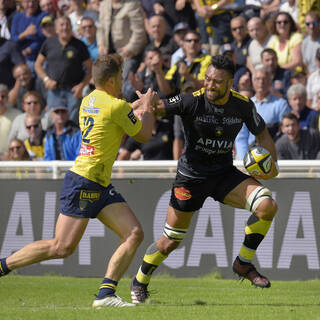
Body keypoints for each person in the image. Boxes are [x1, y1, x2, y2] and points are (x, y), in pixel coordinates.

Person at [0, 53, 156, 308]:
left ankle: (106, 294)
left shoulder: (89, 100)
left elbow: (118, 114)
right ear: (112, 79)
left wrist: (139, 107)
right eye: (120, 77)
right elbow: (146, 133)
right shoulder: (116, 106)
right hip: (86, 182)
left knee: (134, 233)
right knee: (60, 247)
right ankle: (2, 266)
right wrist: (148, 106)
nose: (122, 81)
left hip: (95, 181)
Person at [130, 55, 279, 304]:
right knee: (169, 242)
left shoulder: (243, 105)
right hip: (191, 178)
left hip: (223, 174)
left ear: (230, 83)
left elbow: (261, 132)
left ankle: (243, 263)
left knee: (267, 206)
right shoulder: (191, 100)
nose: (210, 85)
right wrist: (146, 104)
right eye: (208, 79)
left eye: (217, 81)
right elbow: (158, 107)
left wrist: (272, 165)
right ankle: (140, 280)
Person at [35, 16, 92, 124]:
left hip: (73, 92)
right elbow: (38, 64)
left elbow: (91, 69)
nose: (65, 27)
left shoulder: (80, 45)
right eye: (62, 25)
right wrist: (46, 79)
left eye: (67, 24)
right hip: (54, 92)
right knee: (55, 124)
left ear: (71, 27)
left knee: (74, 124)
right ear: (56, 29)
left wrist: (81, 86)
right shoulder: (49, 43)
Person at [235, 65, 291, 160]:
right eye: (257, 79)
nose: (261, 82)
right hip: (250, 156)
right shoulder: (247, 105)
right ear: (253, 82)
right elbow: (241, 136)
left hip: (273, 156)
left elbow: (286, 133)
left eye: (264, 79)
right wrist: (244, 160)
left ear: (270, 82)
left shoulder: (281, 104)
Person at [156, 30, 212, 96]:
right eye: (189, 41)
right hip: (180, 102)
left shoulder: (208, 59)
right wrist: (158, 70)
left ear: (200, 44)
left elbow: (207, 87)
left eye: (196, 41)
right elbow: (167, 91)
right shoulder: (178, 63)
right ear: (184, 44)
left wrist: (187, 76)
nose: (192, 43)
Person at [10, 0, 47, 71]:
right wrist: (25, 34)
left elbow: (42, 38)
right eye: (27, 2)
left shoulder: (43, 16)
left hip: (39, 59)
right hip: (20, 59)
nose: (31, 4)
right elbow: (13, 39)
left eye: (33, 1)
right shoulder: (17, 17)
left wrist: (27, 51)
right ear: (22, 3)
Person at [0, 84, 22, 159]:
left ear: (7, 98)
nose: (0, 99)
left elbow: (20, 138)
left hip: (11, 158)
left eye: (3, 96)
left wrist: (9, 154)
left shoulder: (17, 115)